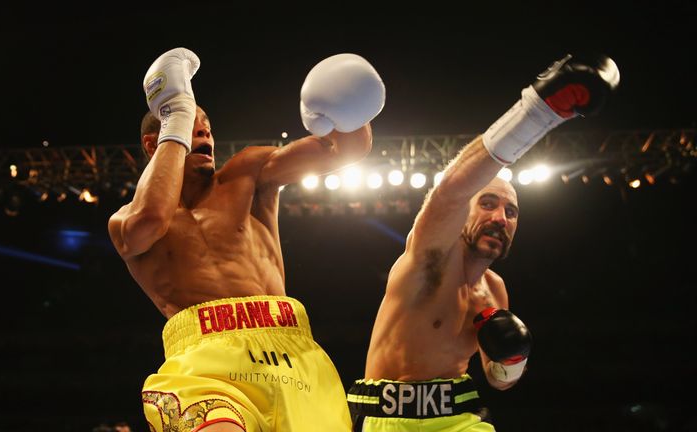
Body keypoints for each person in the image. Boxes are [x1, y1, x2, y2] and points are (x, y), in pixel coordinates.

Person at [108, 47, 385, 432]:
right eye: (193, 125)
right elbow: (151, 220)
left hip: (292, 357)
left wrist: (349, 108)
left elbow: (346, 151)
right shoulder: (126, 220)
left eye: (207, 127)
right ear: (154, 144)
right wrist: (177, 114)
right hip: (203, 367)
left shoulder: (246, 176)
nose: (204, 132)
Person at [347, 54, 620, 431]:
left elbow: (498, 381)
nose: (500, 218)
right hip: (389, 419)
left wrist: (513, 357)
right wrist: (538, 112)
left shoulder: (495, 292)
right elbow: (449, 193)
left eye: (511, 211)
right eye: (488, 204)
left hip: (459, 419)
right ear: (465, 213)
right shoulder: (432, 258)